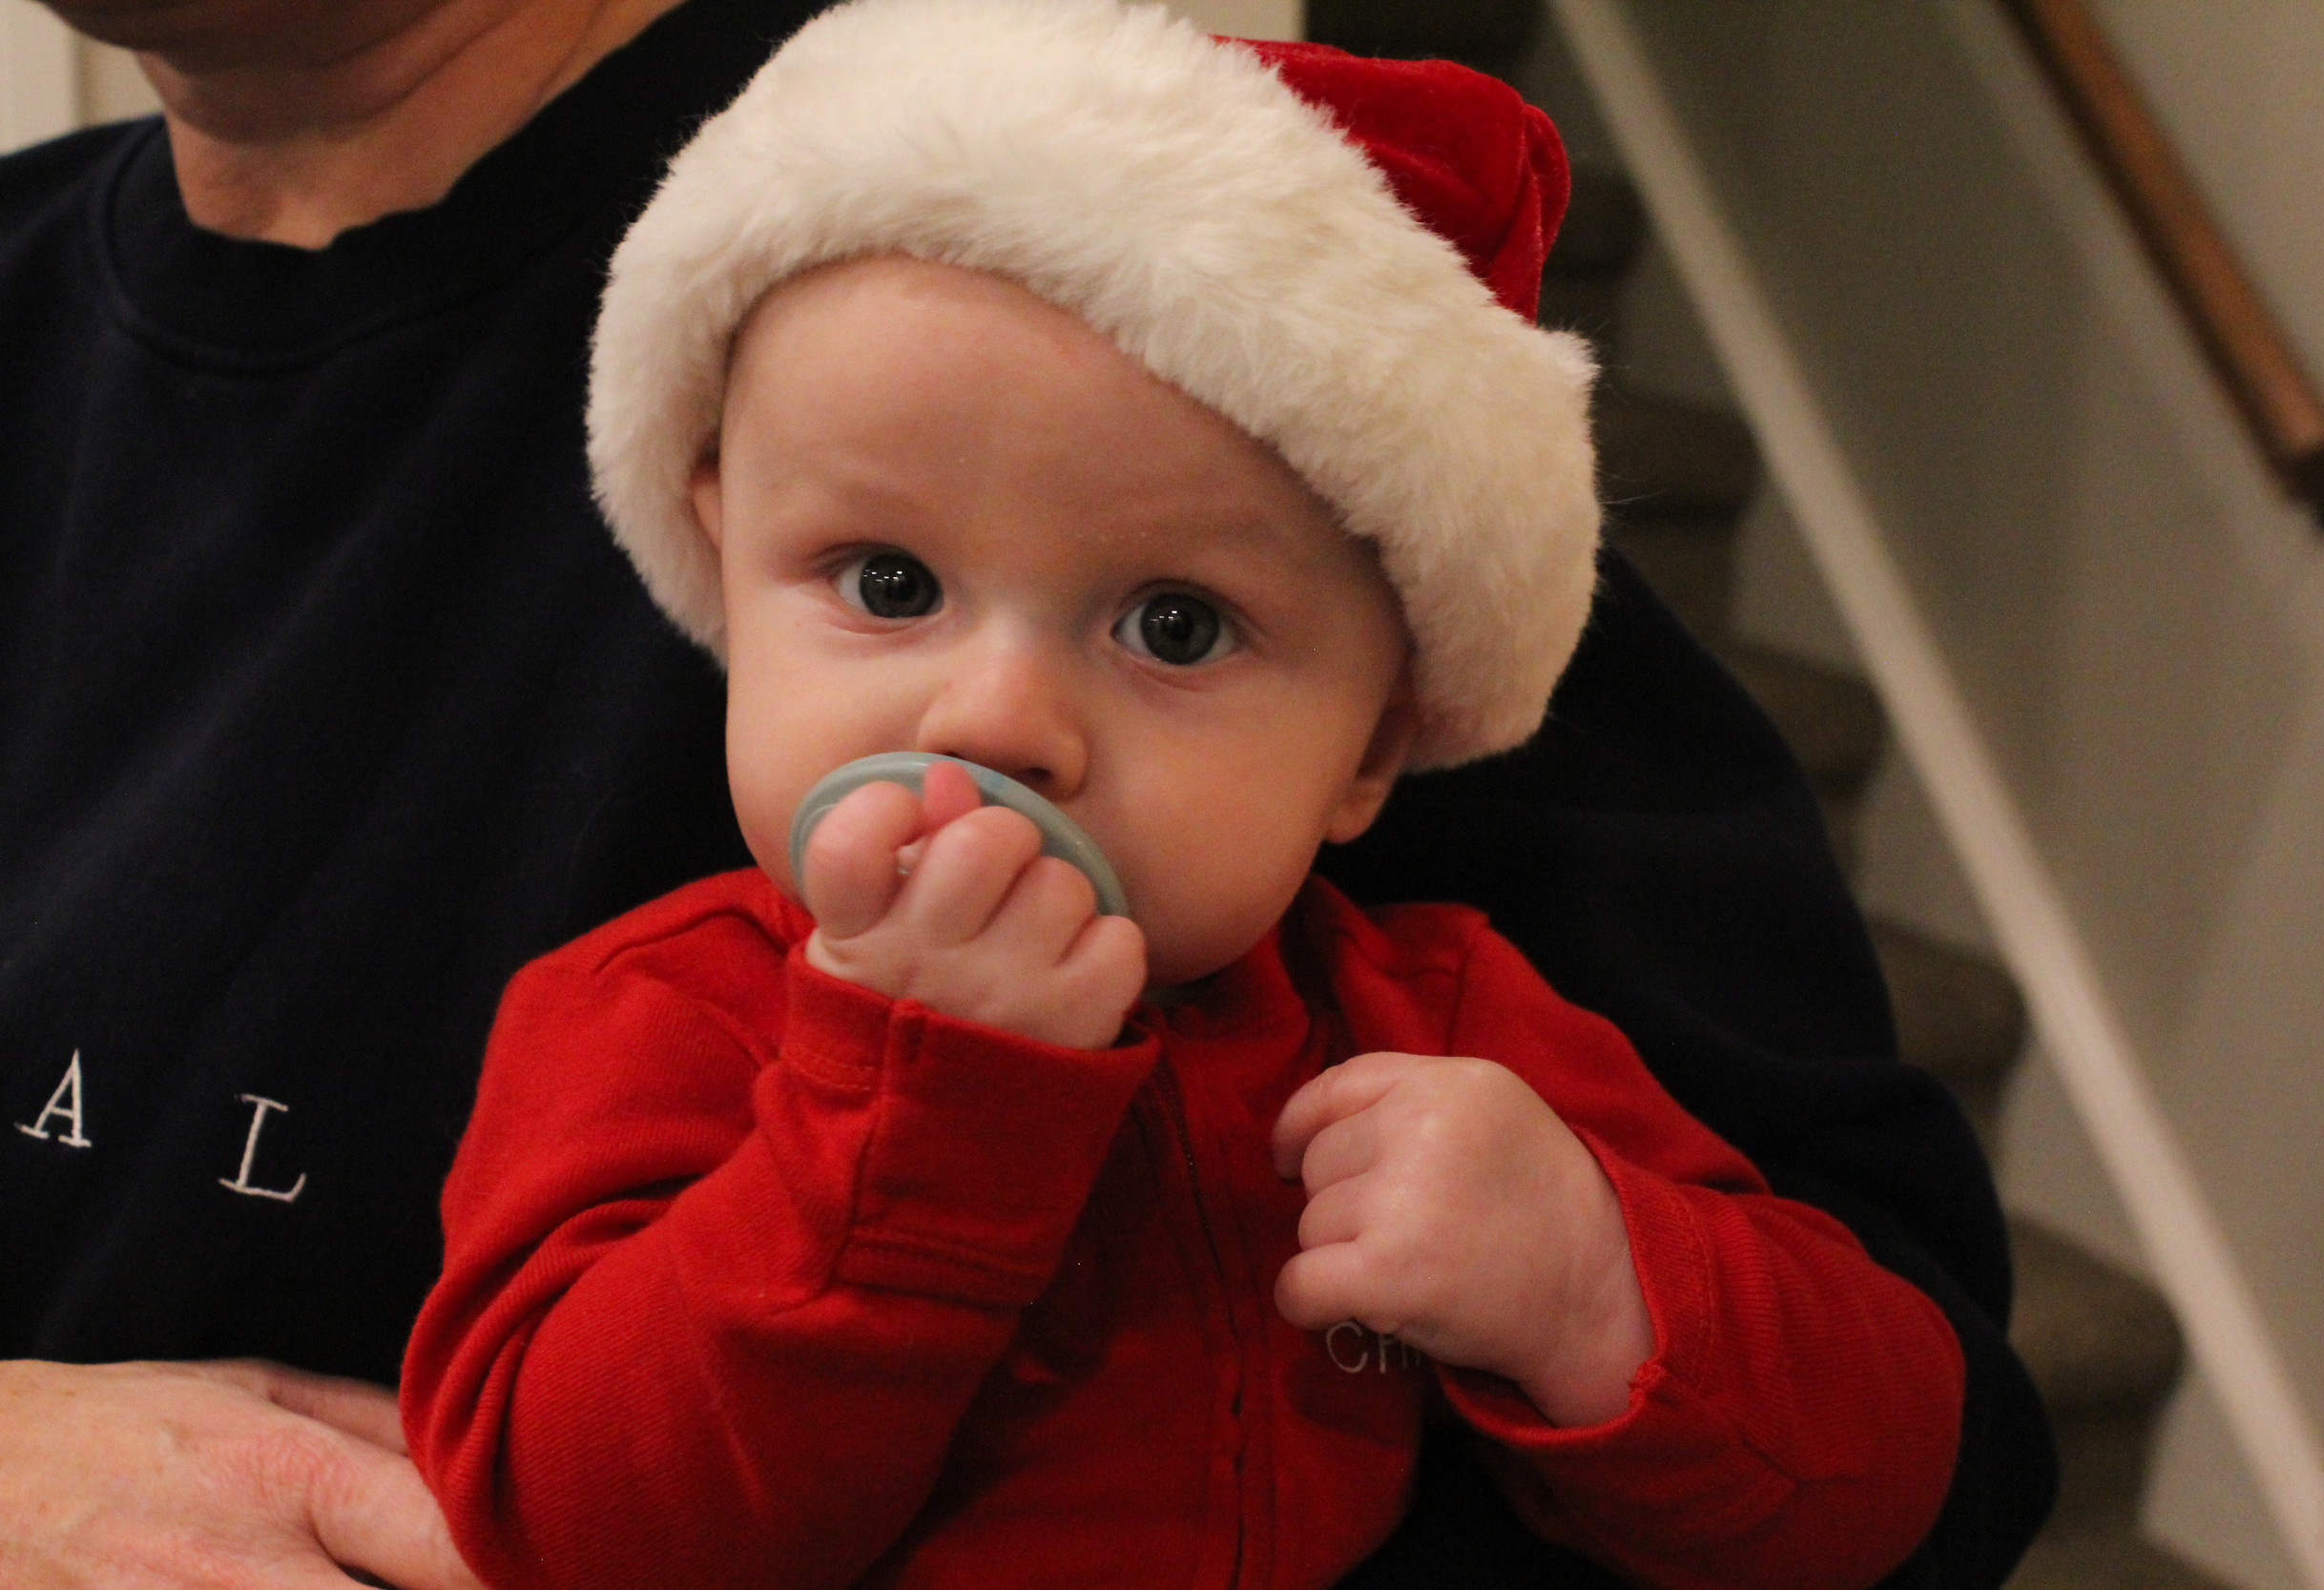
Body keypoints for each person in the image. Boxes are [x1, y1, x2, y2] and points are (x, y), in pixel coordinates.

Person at [0, 0, 2052, 1580]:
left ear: (1379, 742)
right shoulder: (662, 1013)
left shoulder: (1098, 286)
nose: (992, 720)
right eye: (884, 588)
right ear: (713, 540)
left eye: (1166, 629)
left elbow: (1908, 1456)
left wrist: (1613, 1291)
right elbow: (594, 1496)